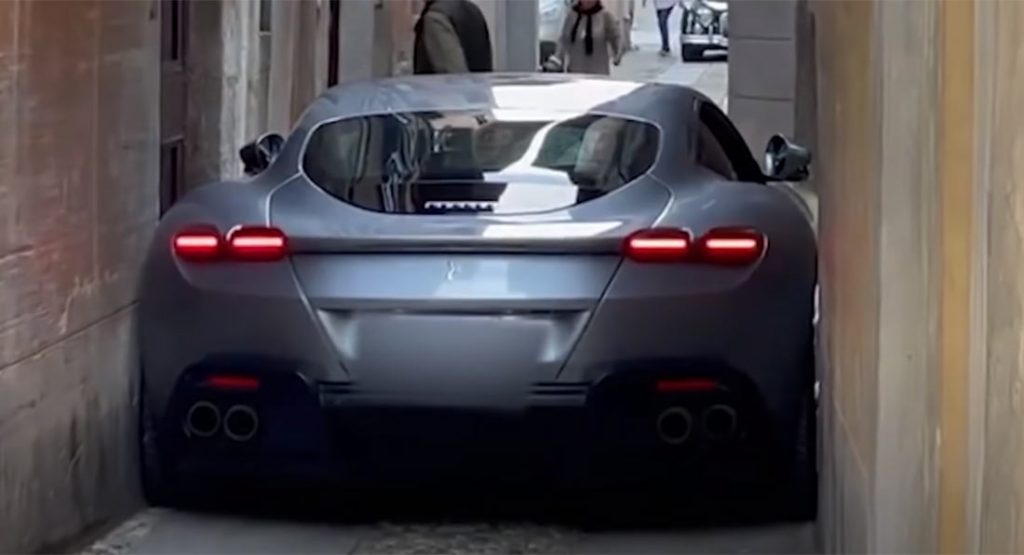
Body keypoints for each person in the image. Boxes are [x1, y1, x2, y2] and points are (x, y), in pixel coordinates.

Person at [412, 0, 493, 74]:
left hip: (452, 88)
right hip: (480, 87)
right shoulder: (472, 9)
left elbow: (452, 74)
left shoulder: (436, 18)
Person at [554, 0, 623, 75]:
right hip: (574, 71)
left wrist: (617, 54)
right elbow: (564, 39)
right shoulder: (572, 15)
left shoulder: (605, 15)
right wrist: (558, 57)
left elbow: (616, 37)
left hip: (598, 72)